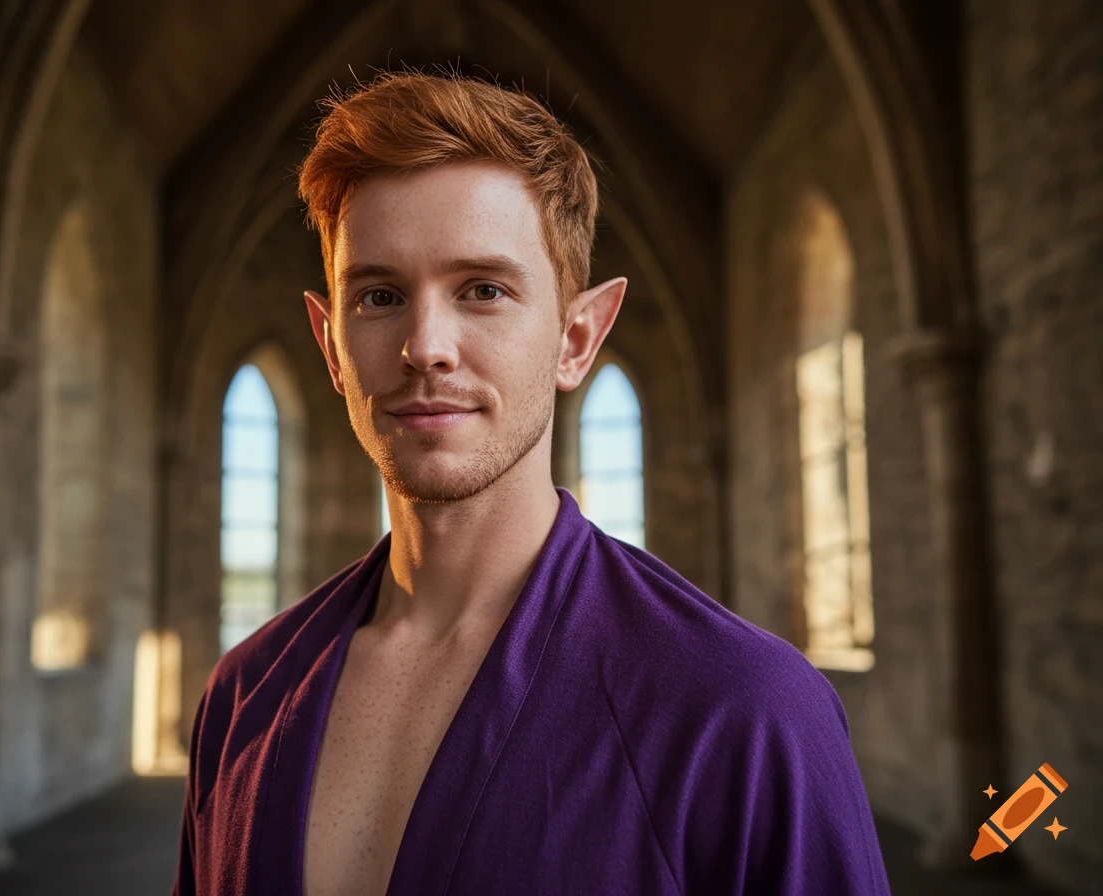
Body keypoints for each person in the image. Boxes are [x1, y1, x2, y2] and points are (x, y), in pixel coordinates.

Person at [172, 70, 893, 896]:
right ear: (331, 344)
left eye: (483, 290)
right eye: (378, 295)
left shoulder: (748, 713)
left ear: (577, 337)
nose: (426, 346)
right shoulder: (243, 698)